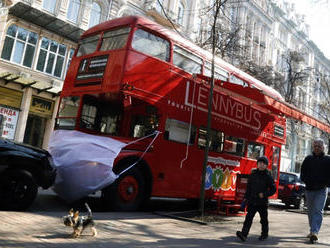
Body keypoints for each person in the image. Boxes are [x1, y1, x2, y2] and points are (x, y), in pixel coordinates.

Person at [236, 156, 276, 242]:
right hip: (252, 201)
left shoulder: (268, 177)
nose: (261, 165)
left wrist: (264, 194)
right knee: (248, 218)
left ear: (266, 165)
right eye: (259, 163)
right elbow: (248, 188)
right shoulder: (252, 175)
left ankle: (264, 234)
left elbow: (273, 189)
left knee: (264, 220)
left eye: (263, 163)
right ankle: (244, 234)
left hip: (262, 202)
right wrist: (245, 199)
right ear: (257, 164)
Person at [300, 138, 330, 243]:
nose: (317, 148)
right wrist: (305, 180)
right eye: (315, 146)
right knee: (310, 211)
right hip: (309, 189)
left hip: (322, 190)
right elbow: (302, 172)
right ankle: (312, 229)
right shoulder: (308, 159)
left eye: (319, 146)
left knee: (318, 210)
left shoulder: (328, 159)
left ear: (323, 148)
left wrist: (327, 184)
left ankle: (314, 232)